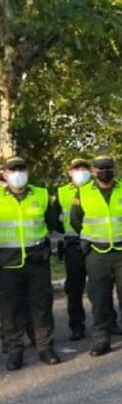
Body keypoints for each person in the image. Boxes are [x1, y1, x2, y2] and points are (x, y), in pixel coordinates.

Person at [70, 155, 122, 355]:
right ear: (94, 171)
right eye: (100, 168)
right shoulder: (83, 192)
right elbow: (76, 221)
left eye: (108, 167)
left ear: (114, 169)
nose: (105, 171)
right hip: (97, 252)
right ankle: (101, 338)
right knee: (99, 296)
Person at [0, 157, 60, 370]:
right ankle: (15, 350)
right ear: (5, 174)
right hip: (7, 262)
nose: (17, 173)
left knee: (42, 305)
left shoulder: (41, 195)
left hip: (37, 260)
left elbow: (53, 224)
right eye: (12, 169)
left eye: (21, 169)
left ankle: (45, 347)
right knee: (10, 309)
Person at [55, 158, 92, 341]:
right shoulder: (61, 192)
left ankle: (110, 322)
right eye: (76, 168)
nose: (80, 171)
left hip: (94, 243)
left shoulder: (97, 189)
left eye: (84, 167)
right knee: (74, 288)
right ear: (69, 172)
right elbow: (53, 219)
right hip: (73, 244)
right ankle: (77, 326)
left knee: (101, 286)